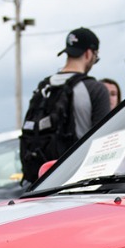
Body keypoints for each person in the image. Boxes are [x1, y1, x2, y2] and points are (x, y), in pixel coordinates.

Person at [19, 27, 112, 183]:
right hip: (77, 181)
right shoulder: (95, 89)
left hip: (39, 183)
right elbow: (104, 142)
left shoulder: (44, 87)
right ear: (89, 54)